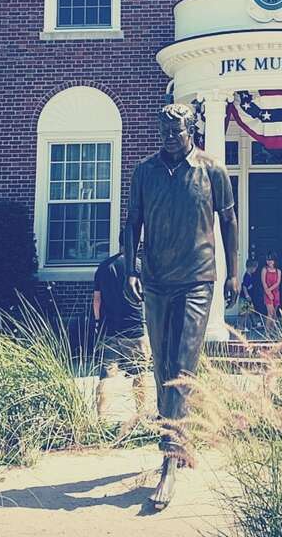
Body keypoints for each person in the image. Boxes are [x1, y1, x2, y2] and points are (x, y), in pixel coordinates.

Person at [124, 102, 238, 510]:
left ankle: (170, 459)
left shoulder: (212, 170)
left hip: (196, 280)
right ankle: (178, 432)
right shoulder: (145, 172)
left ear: (193, 129)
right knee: (161, 364)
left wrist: (234, 272)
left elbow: (229, 221)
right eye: (164, 131)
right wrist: (131, 269)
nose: (169, 137)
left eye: (177, 131)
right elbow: (132, 221)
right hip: (155, 280)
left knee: (182, 366)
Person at [93, 228, 148, 422]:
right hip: (135, 329)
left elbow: (97, 300)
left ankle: (101, 419)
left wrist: (98, 322)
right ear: (136, 244)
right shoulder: (140, 267)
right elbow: (148, 298)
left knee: (106, 376)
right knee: (140, 374)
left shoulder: (104, 267)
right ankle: (141, 417)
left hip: (109, 330)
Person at [261, 252, 282, 333]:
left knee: (274, 314)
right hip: (267, 293)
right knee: (270, 313)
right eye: (268, 260)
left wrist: (271, 290)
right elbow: (263, 282)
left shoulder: (278, 271)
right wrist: (268, 292)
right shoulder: (264, 269)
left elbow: (278, 282)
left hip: (276, 293)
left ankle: (272, 331)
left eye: (271, 260)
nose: (269, 262)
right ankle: (267, 332)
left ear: (274, 261)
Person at [238, 258, 258, 333]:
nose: (255, 270)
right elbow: (244, 286)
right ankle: (241, 327)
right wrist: (247, 295)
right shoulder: (246, 276)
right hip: (244, 298)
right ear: (251, 268)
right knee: (243, 313)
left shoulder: (250, 275)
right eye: (255, 268)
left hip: (248, 298)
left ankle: (254, 324)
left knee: (251, 311)